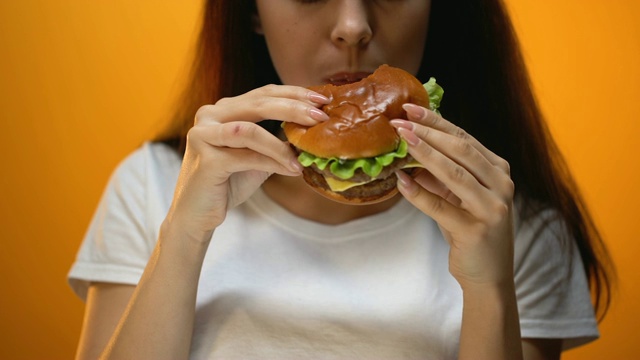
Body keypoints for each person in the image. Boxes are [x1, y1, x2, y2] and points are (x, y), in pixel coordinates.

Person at [68, 0, 615, 359]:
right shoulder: (153, 184)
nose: (353, 26)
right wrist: (183, 238)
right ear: (252, 11)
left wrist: (489, 288)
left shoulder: (511, 220)